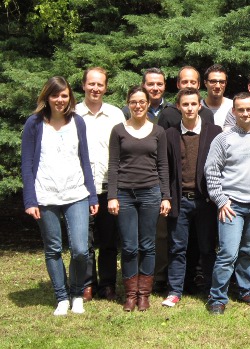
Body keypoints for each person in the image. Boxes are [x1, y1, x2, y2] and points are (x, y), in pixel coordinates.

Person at [21, 76, 99, 315]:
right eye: (55, 95)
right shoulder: (34, 124)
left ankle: (77, 293)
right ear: (47, 97)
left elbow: (85, 160)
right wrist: (30, 199)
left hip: (76, 193)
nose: (60, 100)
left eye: (64, 95)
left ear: (70, 98)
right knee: (53, 249)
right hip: (45, 195)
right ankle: (62, 297)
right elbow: (27, 164)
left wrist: (92, 196)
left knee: (80, 249)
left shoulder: (78, 122)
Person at [204, 92, 250, 315]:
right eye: (240, 109)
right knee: (228, 254)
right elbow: (211, 171)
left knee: (249, 251)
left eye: (248, 109)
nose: (245, 113)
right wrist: (221, 200)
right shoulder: (223, 139)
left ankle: (246, 290)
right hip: (232, 205)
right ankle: (217, 298)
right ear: (234, 112)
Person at [107, 85, 171, 312]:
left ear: (147, 104)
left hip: (150, 193)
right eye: (133, 102)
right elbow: (113, 165)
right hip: (124, 193)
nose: (138, 105)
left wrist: (166, 196)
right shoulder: (118, 130)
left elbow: (163, 165)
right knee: (129, 246)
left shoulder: (158, 131)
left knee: (148, 245)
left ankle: (144, 294)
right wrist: (112, 195)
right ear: (128, 103)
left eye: (142, 101)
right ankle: (130, 294)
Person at [162, 88, 222, 307]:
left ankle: (209, 289)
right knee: (177, 248)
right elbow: (165, 169)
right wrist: (166, 196)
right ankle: (175, 290)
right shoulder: (169, 135)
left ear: (200, 106)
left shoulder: (214, 132)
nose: (189, 108)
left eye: (193, 104)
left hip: (206, 201)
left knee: (207, 248)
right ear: (178, 107)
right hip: (180, 199)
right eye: (185, 104)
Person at [76, 67, 126, 302]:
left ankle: (107, 284)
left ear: (105, 87)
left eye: (100, 84)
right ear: (84, 85)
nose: (96, 88)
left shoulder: (116, 114)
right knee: (83, 240)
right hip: (79, 188)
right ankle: (87, 284)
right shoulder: (72, 113)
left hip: (108, 187)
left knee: (107, 241)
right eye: (91, 84)